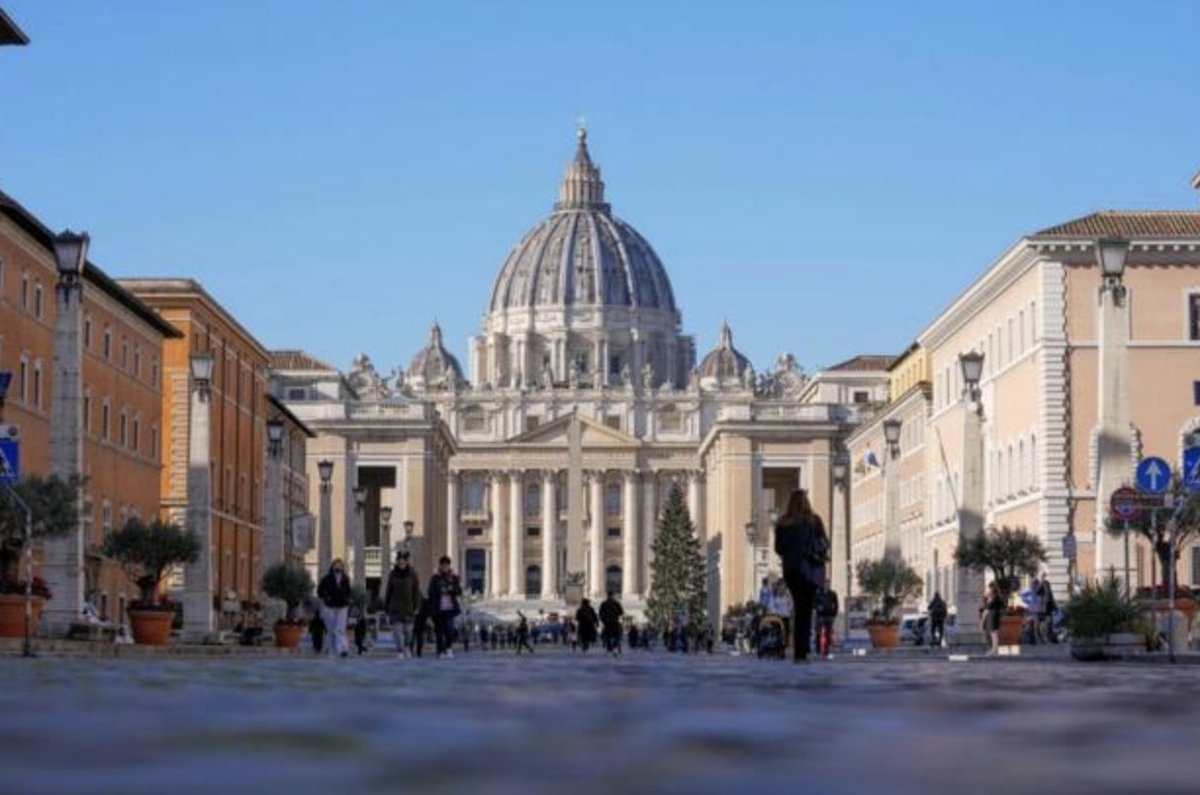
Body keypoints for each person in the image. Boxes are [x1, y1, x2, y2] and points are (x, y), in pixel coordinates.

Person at [773, 489, 829, 662]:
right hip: (810, 571)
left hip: (792, 571)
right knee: (805, 611)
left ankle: (800, 653)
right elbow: (824, 543)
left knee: (799, 609)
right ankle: (802, 652)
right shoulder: (814, 521)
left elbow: (778, 548)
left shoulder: (783, 523)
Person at [383, 550, 422, 659]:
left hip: (409, 608)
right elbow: (388, 591)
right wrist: (386, 606)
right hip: (395, 608)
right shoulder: (392, 574)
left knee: (408, 632)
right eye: (399, 562)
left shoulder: (412, 574)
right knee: (398, 632)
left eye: (403, 562)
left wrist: (417, 606)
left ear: (406, 562)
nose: (401, 564)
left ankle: (407, 646)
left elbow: (416, 591)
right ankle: (400, 650)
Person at [428, 555, 462, 658]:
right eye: (443, 565)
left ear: (449, 566)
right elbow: (430, 591)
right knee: (439, 631)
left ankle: (448, 647)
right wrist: (440, 591)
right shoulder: (435, 578)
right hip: (438, 608)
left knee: (449, 630)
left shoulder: (454, 577)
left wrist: (451, 589)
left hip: (449, 608)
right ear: (440, 566)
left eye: (446, 565)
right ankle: (440, 651)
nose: (444, 567)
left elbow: (459, 591)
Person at [317, 559, 352, 658]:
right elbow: (319, 591)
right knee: (331, 630)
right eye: (336, 565)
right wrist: (326, 597)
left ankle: (343, 649)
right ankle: (331, 650)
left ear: (342, 567)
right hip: (330, 606)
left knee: (339, 629)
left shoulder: (345, 579)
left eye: (340, 565)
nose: (338, 567)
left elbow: (349, 591)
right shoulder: (326, 579)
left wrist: (346, 599)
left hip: (342, 606)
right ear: (332, 567)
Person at [982, 581, 1004, 656]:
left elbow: (987, 608)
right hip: (995, 615)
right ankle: (995, 650)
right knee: (994, 634)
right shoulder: (998, 597)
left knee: (993, 634)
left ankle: (994, 650)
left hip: (992, 616)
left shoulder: (994, 598)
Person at [816, 587, 839, 657]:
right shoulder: (818, 593)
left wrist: (834, 613)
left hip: (829, 616)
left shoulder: (832, 594)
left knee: (828, 633)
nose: (826, 585)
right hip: (820, 615)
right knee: (818, 632)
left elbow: (836, 604)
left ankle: (826, 649)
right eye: (825, 583)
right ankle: (818, 648)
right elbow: (814, 603)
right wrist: (818, 607)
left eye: (827, 583)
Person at [1035, 573, 1055, 644]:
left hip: (1047, 607)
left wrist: (1054, 606)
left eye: (1044, 575)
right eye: (1042, 576)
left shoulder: (1047, 583)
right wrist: (1041, 581)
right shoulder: (1037, 583)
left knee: (1049, 624)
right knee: (1038, 625)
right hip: (1040, 608)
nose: (1043, 577)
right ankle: (1039, 640)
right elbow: (1036, 592)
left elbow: (1050, 595)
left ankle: (1048, 638)